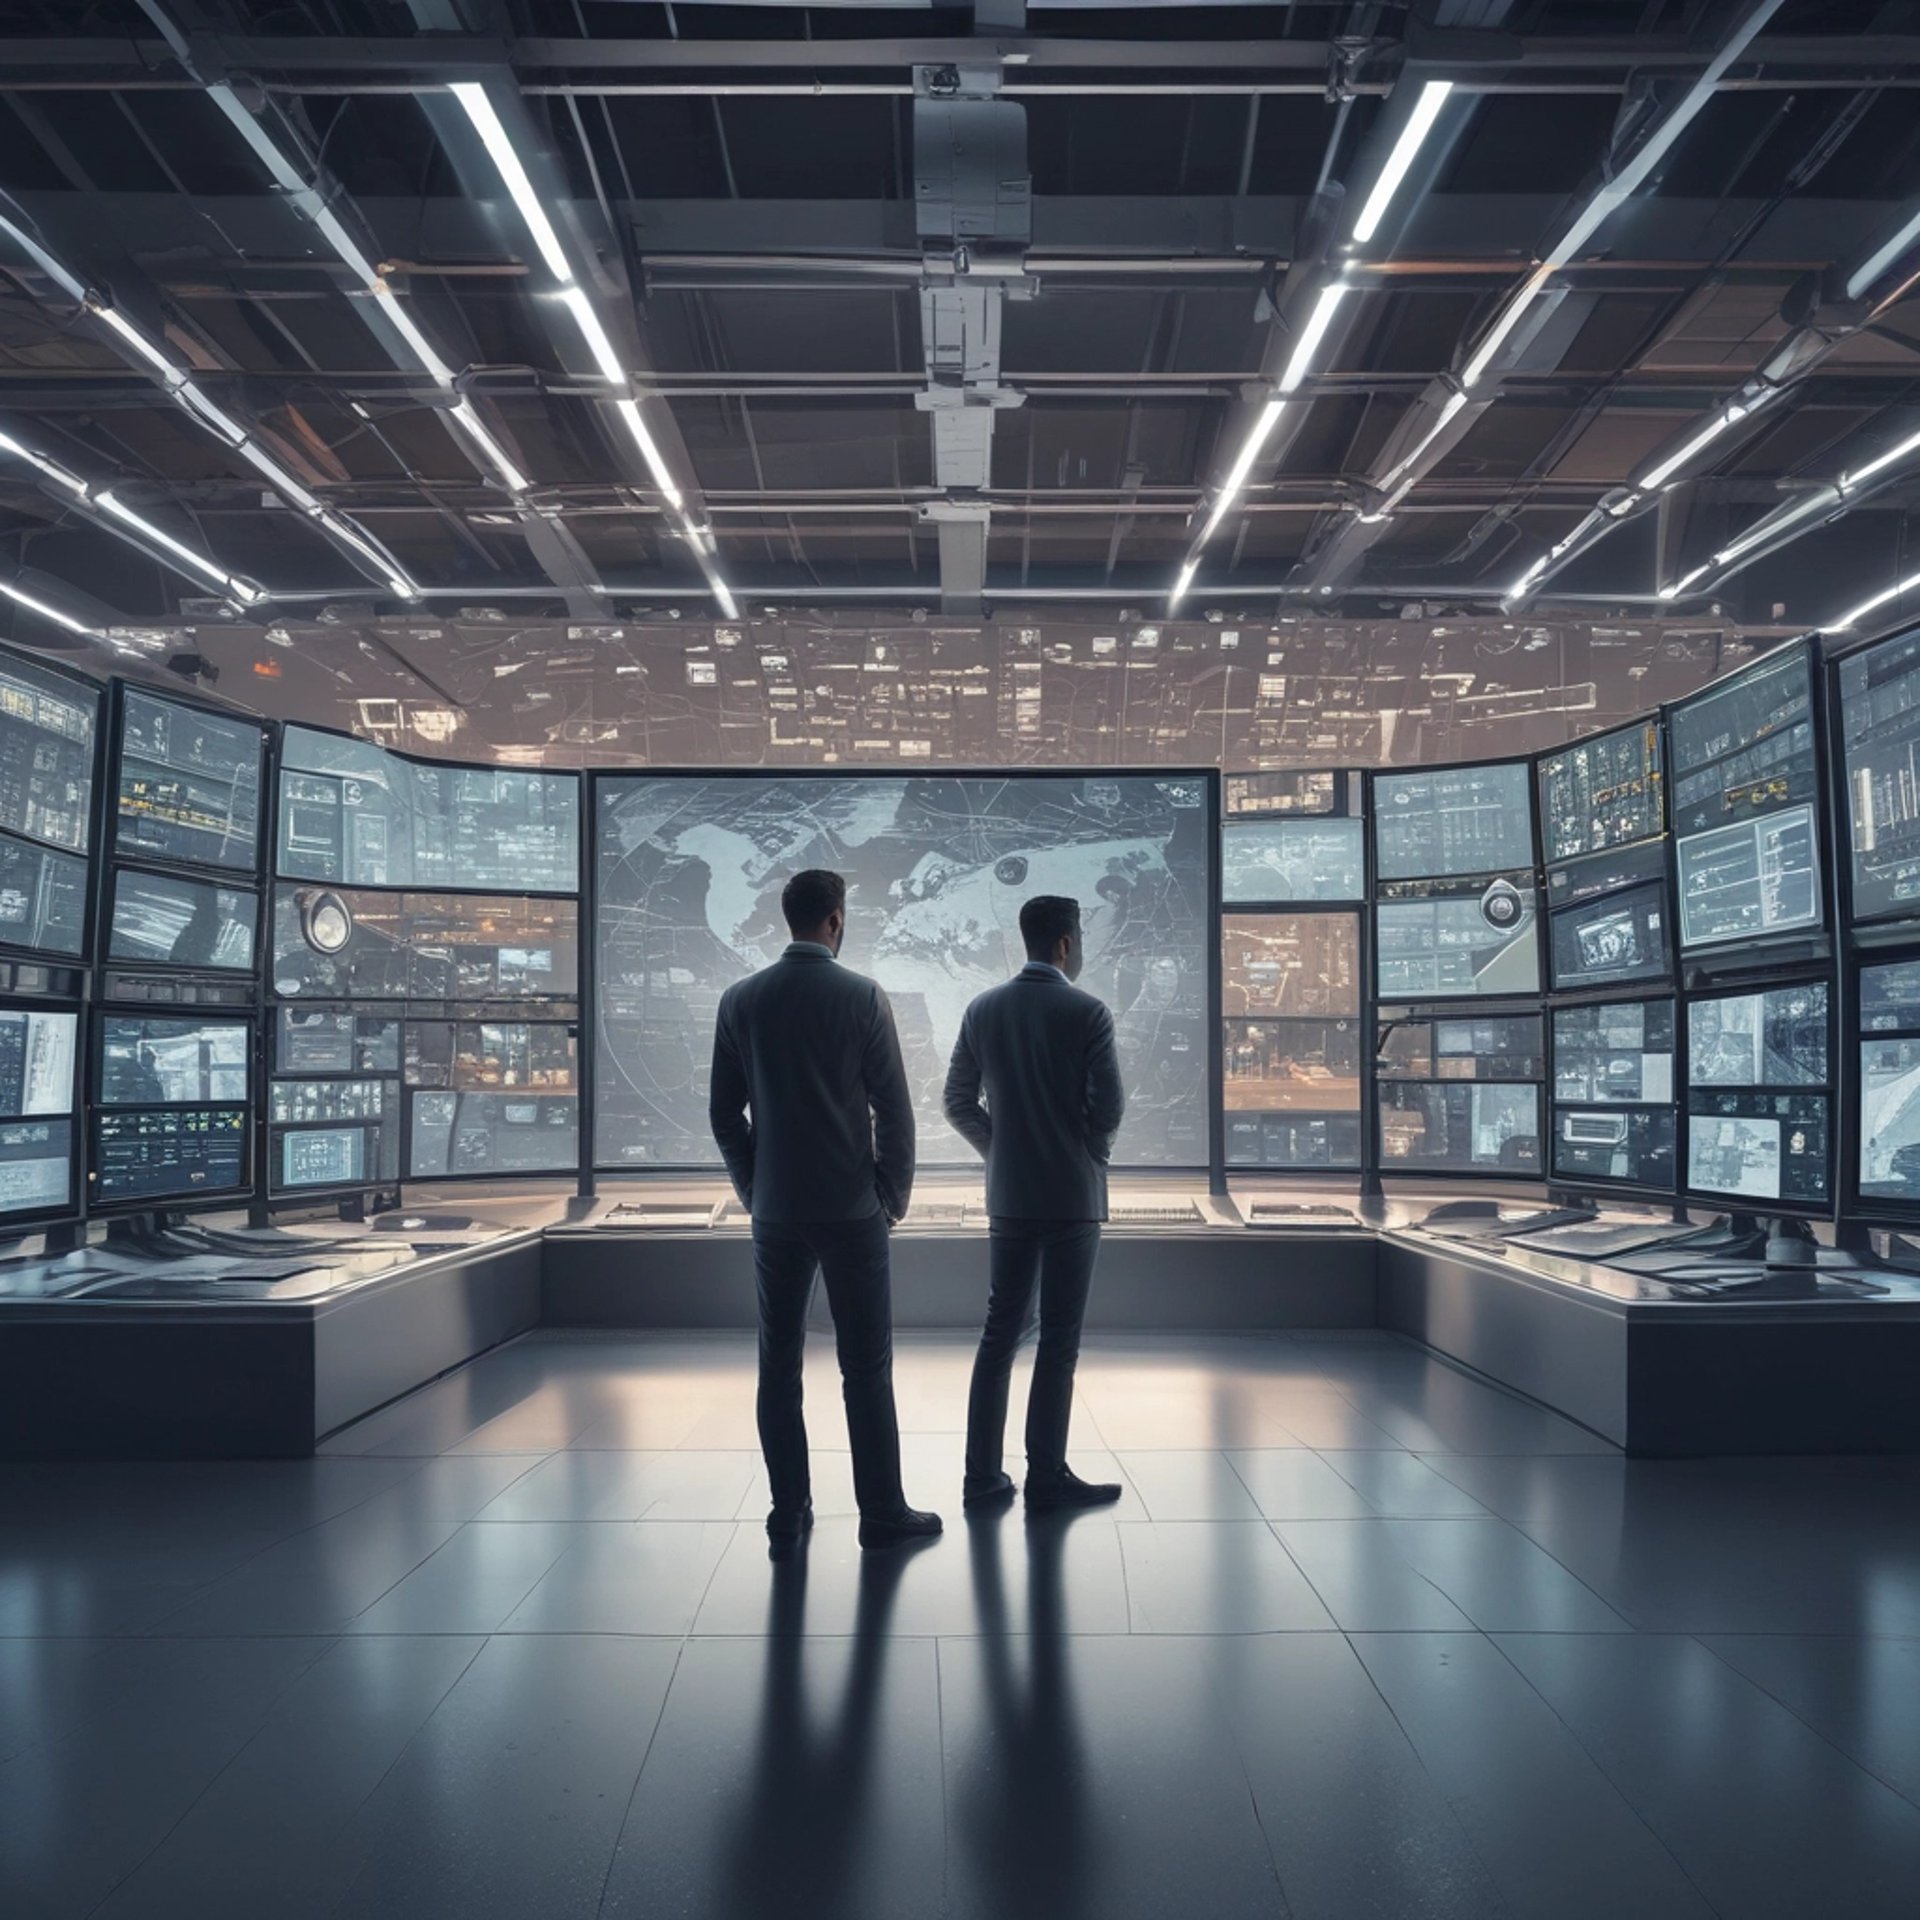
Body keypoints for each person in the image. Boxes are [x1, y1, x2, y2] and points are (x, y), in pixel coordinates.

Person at [709, 868, 942, 1551]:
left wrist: (757, 1191)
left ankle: (789, 1512)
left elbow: (726, 1114)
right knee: (864, 1367)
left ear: (789, 919)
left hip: (776, 1212)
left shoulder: (739, 999)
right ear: (836, 921)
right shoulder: (863, 997)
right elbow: (893, 1110)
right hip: (851, 1210)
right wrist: (891, 1196)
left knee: (776, 1365)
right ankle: (881, 1514)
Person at [943, 894, 1126, 1511]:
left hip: (1011, 1197)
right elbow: (1109, 1109)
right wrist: (1088, 1153)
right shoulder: (1089, 1012)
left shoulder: (983, 1009)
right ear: (1066, 944)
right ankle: (1046, 1475)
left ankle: (981, 1477)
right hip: (1073, 1197)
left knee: (1000, 1334)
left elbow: (957, 1101)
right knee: (1059, 1340)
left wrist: (1000, 1150)